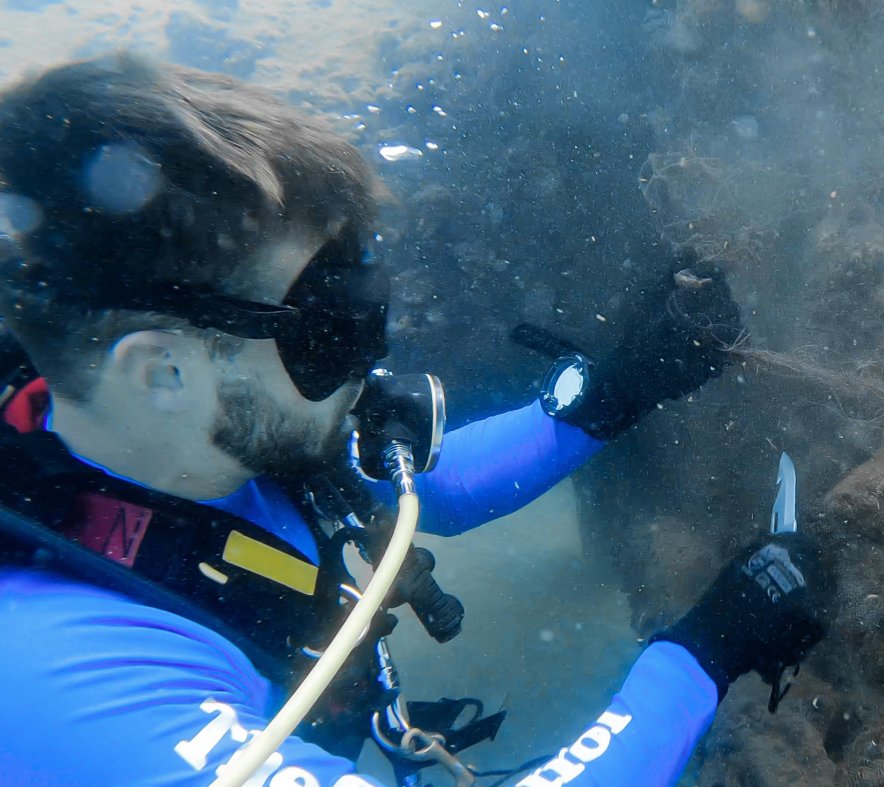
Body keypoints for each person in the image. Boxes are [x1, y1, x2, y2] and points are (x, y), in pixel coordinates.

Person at [0, 53, 830, 786]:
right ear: (163, 372)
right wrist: (704, 653)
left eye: (364, 298)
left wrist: (616, 390)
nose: (369, 357)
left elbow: (416, 487)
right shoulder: (62, 688)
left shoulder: (184, 444)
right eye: (326, 328)